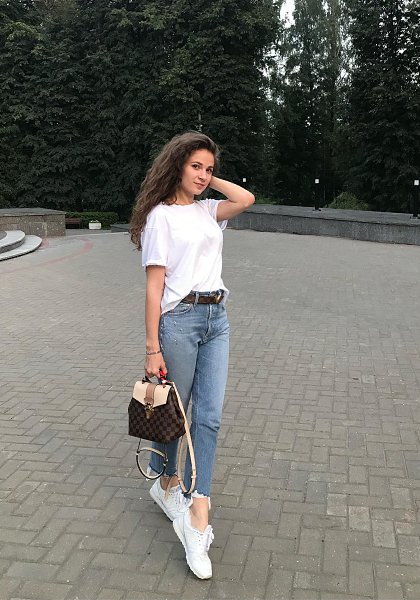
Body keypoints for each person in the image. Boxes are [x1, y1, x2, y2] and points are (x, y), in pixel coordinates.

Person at [129, 131, 254, 579]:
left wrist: (210, 181)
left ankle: (198, 512)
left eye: (208, 168)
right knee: (174, 415)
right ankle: (166, 482)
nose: (202, 175)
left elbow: (246, 199)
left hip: (217, 319)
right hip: (179, 321)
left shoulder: (207, 210)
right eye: (195, 166)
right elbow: (154, 287)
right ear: (177, 165)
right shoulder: (160, 218)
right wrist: (152, 348)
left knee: (209, 417)